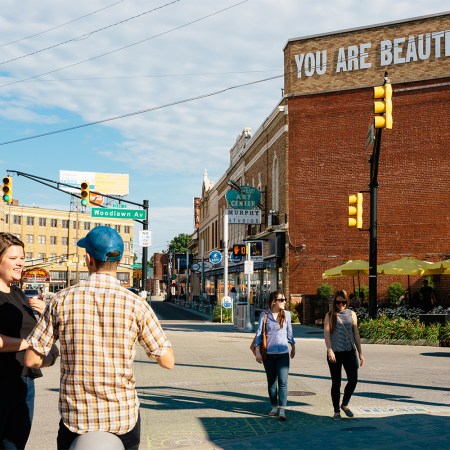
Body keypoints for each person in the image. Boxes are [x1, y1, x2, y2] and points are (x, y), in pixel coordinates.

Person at [25, 226, 174, 450]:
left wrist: (52, 357)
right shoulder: (136, 304)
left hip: (76, 420)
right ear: (120, 259)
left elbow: (31, 360)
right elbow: (167, 361)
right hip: (122, 418)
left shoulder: (61, 300)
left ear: (88, 259)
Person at [0, 232, 58, 449]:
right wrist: (28, 343)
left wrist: (47, 317)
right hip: (2, 381)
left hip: (23, 382)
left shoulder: (19, 294)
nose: (20, 264)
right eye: (13, 258)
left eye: (22, 258)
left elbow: (37, 332)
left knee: (16, 443)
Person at [254, 290, 295, 421]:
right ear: (274, 302)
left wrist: (293, 346)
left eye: (284, 299)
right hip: (269, 355)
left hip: (283, 354)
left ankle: (282, 409)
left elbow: (290, 332)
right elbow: (259, 334)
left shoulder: (287, 315)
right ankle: (274, 406)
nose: (284, 302)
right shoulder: (264, 315)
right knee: (272, 383)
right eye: (281, 300)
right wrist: (257, 351)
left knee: (283, 382)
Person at [324, 289, 364, 420]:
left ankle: (345, 403)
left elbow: (356, 334)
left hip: (349, 352)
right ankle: (336, 411)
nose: (340, 305)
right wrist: (329, 349)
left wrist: (360, 352)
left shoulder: (352, 314)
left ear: (347, 302)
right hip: (335, 353)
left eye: (343, 302)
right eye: (337, 302)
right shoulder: (330, 315)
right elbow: (327, 334)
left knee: (353, 380)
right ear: (334, 302)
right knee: (336, 382)